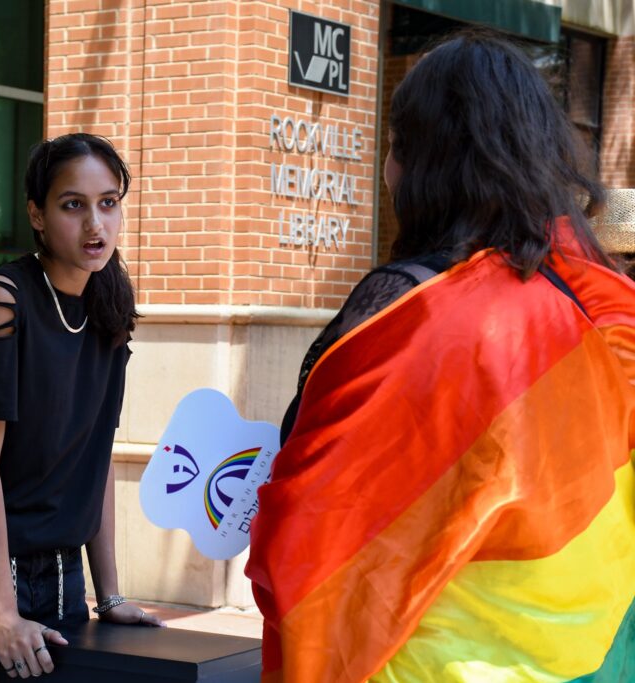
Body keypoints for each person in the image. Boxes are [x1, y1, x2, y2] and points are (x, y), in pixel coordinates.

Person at [246, 30, 635, 682]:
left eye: (393, 148)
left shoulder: (410, 311)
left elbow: (313, 529)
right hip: (583, 660)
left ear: (415, 160)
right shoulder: (598, 314)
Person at [0, 132, 162, 683]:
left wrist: (109, 595)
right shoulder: (2, 300)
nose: (96, 224)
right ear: (36, 215)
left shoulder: (108, 306)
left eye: (108, 203)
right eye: (74, 205)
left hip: (60, 573)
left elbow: (96, 459)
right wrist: (1, 614)